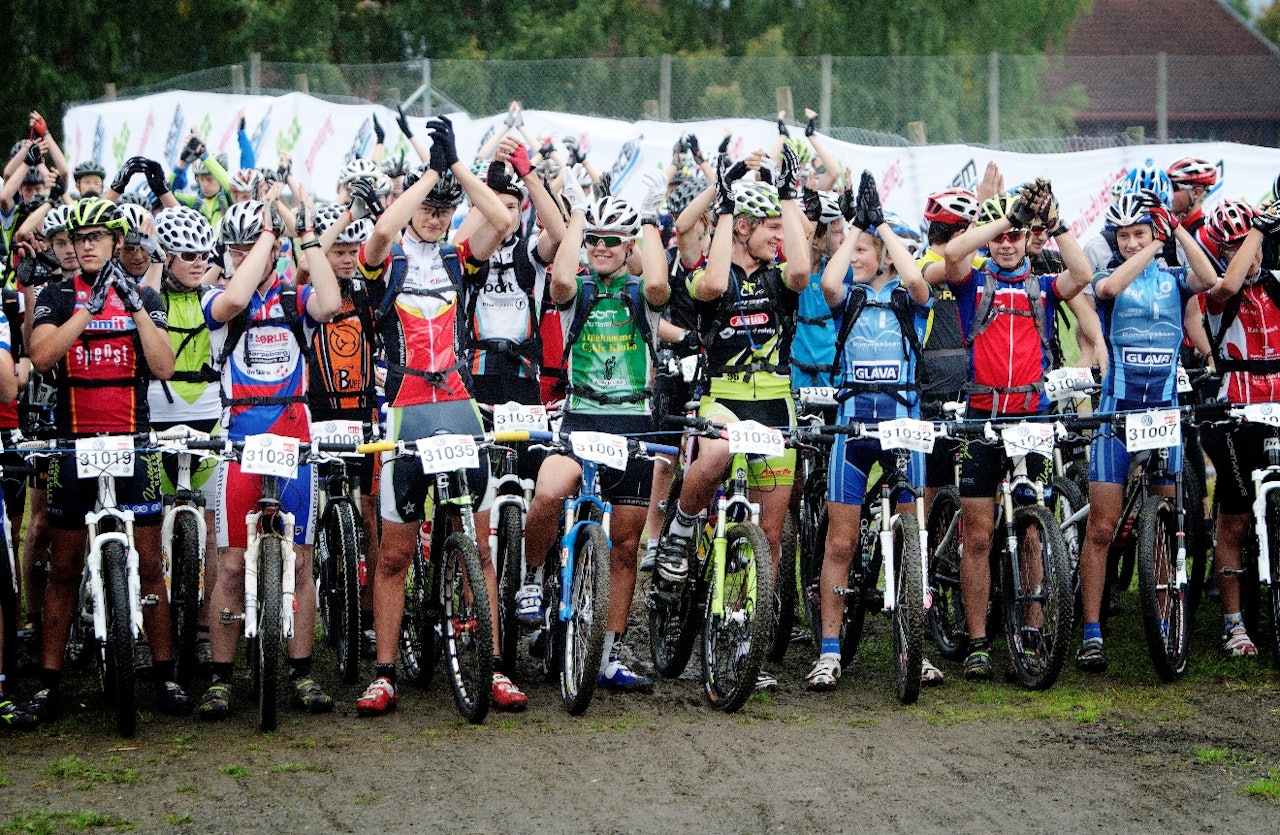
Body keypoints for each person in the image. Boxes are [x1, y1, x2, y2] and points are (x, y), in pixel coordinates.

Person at [353, 115, 524, 716]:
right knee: (396, 552)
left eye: (442, 208)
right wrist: (426, 176)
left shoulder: (457, 259)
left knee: (478, 548)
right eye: (427, 207)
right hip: (404, 410)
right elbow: (377, 234)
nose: (432, 216)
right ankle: (384, 673)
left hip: (456, 404)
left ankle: (496, 667)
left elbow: (503, 220)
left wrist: (455, 169)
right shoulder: (390, 262)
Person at [26, 196, 188, 721]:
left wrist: (133, 305)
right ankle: (49, 684)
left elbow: (163, 366)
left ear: (117, 242)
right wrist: (87, 312)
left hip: (132, 443)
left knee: (150, 569)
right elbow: (42, 355)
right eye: (80, 237)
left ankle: (164, 675)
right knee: (65, 568)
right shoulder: (55, 294)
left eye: (98, 236)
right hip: (71, 444)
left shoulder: (142, 294)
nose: (88, 244)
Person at [656, 146, 812, 690]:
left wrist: (788, 195)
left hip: (775, 400)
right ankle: (680, 527)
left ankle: (751, 649)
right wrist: (724, 205)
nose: (777, 233)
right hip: (722, 395)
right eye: (767, 225)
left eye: (779, 224)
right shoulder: (714, 270)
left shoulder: (780, 278)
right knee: (717, 451)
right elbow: (714, 286)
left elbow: (801, 268)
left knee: (769, 537)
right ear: (742, 227)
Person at [519, 171, 669, 693]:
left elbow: (658, 282)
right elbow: (558, 280)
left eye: (612, 240)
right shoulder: (576, 292)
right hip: (581, 417)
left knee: (625, 544)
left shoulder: (640, 294)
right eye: (595, 240)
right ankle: (535, 577)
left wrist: (649, 220)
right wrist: (578, 217)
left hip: (633, 422)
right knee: (548, 492)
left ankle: (608, 652)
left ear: (628, 246)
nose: (602, 248)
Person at [939, 180, 1093, 681]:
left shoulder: (1042, 285)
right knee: (980, 535)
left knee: (1032, 529)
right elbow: (953, 251)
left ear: (1031, 239)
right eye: (1000, 237)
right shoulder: (973, 282)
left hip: (1031, 415)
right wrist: (1008, 217)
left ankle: (1033, 626)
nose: (1006, 244)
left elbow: (1083, 273)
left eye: (1016, 236)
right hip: (982, 415)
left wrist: (1055, 223)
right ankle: (980, 640)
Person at [196, 199, 342, 719]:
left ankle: (302, 672)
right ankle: (220, 678)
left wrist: (302, 234)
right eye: (236, 248)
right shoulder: (217, 297)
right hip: (240, 440)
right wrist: (261, 240)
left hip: (293, 438)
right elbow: (236, 294)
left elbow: (331, 301)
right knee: (232, 565)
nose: (247, 257)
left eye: (253, 247)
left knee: (301, 562)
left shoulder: (290, 298)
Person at [1074, 192, 1221, 672]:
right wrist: (1151, 247)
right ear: (1115, 241)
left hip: (1163, 413)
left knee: (1169, 521)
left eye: (1139, 232)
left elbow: (1210, 279)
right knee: (1101, 527)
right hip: (1117, 414)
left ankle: (1163, 615)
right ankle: (1091, 630)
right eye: (1123, 236)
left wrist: (1175, 230)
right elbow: (1111, 291)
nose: (1132, 241)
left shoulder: (1175, 279)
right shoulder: (1108, 275)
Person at [806, 171, 931, 691]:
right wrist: (855, 225)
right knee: (843, 541)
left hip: (904, 425)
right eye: (852, 248)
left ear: (884, 251)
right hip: (852, 429)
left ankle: (916, 644)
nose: (854, 254)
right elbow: (829, 282)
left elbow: (920, 281)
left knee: (913, 540)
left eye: (864, 250)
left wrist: (881, 229)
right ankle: (831, 652)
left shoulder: (907, 295)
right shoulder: (850, 296)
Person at [1197, 200, 1280, 659]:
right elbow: (1229, 282)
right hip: (1236, 413)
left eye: (1256, 243)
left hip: (1277, 406)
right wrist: (1257, 230)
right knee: (1235, 520)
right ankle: (1234, 626)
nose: (1252, 255)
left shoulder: (1276, 283)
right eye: (1239, 247)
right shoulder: (1217, 291)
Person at [147, 206, 222, 668]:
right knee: (151, 531)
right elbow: (141, 296)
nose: (198, 262)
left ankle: (199, 629)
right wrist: (155, 261)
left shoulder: (210, 298)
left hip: (209, 419)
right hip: (156, 418)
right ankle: (147, 628)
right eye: (187, 255)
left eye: (204, 254)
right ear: (167, 257)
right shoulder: (149, 296)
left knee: (211, 532)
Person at [306, 203, 382, 655]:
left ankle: (369, 615)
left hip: (364, 415)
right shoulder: (306, 290)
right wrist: (325, 232)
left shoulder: (369, 291)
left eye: (354, 247)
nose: (348, 255)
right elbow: (303, 265)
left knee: (370, 515)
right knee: (318, 517)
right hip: (318, 415)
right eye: (338, 249)